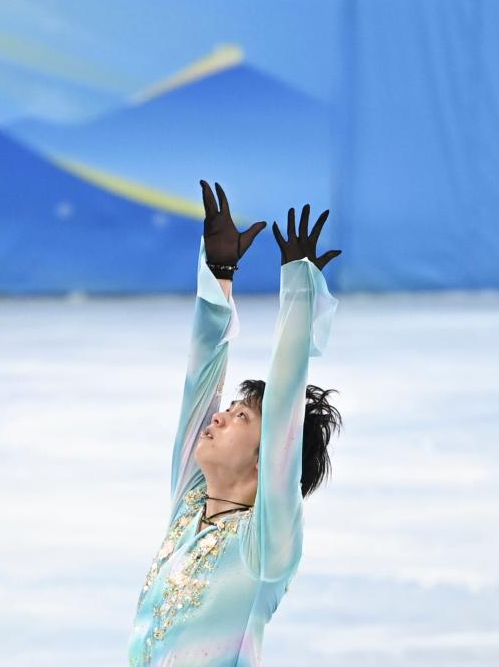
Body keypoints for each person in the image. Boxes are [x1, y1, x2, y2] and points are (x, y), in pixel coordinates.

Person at [127, 181, 343, 666]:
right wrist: (219, 272)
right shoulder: (190, 502)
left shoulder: (265, 544)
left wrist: (299, 291)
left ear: (266, 455)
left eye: (240, 417)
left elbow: (286, 399)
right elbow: (201, 374)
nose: (219, 416)